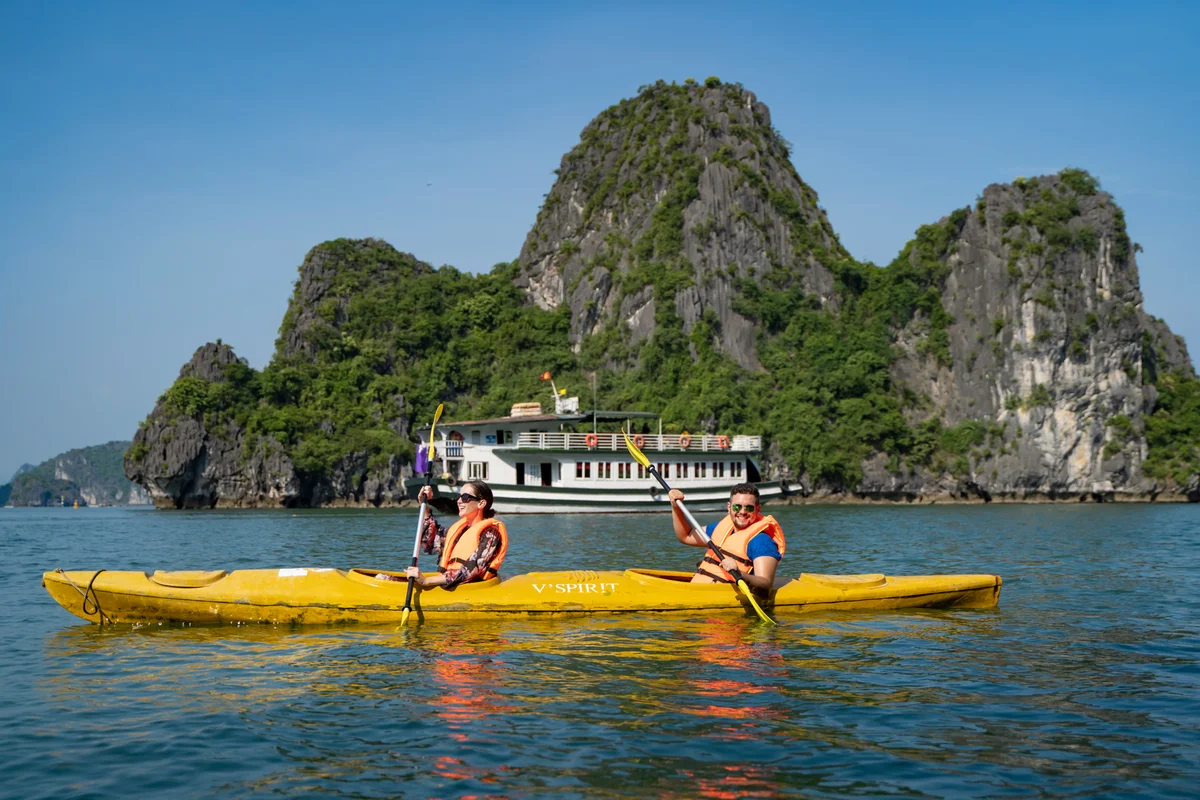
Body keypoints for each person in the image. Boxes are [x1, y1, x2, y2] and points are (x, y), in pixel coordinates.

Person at [668, 483, 785, 590]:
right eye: (737, 507)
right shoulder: (722, 528)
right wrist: (676, 507)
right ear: (729, 507)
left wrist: (739, 573)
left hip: (726, 596)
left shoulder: (761, 541)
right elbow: (686, 536)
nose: (742, 511)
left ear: (758, 509)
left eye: (749, 508)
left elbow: (766, 585)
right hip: (701, 588)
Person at [403, 480, 508, 589]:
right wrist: (424, 505)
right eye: (458, 496)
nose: (459, 501)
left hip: (472, 587)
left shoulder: (491, 533)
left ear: (481, 503)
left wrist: (426, 581)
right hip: (449, 582)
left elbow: (472, 569)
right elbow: (431, 543)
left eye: (465, 497)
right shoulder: (460, 530)